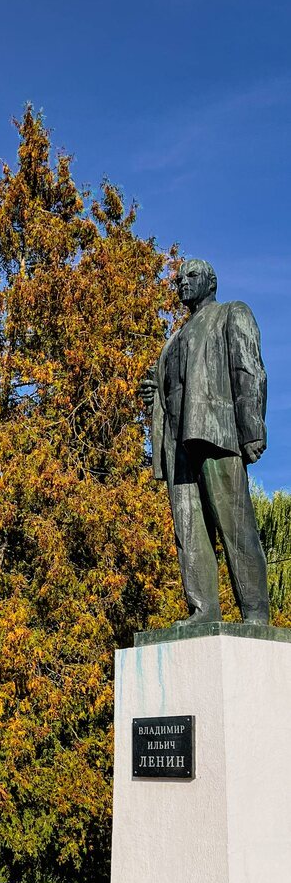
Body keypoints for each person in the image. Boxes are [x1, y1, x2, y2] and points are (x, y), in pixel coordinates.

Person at [140, 258, 270, 625]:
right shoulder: (173, 341)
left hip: (217, 435)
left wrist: (252, 430)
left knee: (235, 526)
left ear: (211, 282)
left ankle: (256, 614)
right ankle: (203, 610)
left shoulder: (232, 313)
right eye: (179, 278)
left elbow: (248, 370)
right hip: (179, 444)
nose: (182, 282)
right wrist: (157, 397)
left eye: (191, 276)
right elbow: (171, 390)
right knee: (189, 533)